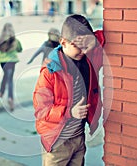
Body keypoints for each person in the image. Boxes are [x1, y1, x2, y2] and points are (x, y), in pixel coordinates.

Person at [33, 14, 105, 165]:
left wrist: (92, 40)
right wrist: (69, 111)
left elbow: (106, 37)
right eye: (77, 46)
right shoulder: (50, 72)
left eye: (85, 46)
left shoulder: (89, 58)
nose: (82, 51)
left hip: (78, 138)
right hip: (57, 143)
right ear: (63, 42)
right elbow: (41, 109)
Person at [0, 23, 23, 111]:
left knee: (6, 76)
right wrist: (16, 49)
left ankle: (1, 92)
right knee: (9, 79)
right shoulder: (15, 40)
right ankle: (10, 97)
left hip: (3, 62)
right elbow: (20, 49)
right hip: (12, 61)